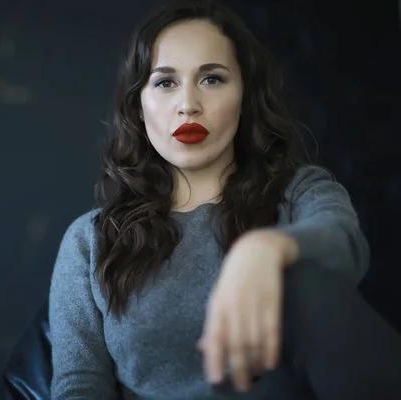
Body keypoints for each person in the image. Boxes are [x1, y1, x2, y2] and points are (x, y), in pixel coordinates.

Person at [48, 0, 401, 399]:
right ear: (139, 108)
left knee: (305, 276)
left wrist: (265, 248)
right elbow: (78, 387)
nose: (188, 104)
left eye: (212, 79)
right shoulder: (90, 240)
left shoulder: (300, 191)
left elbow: (345, 246)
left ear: (244, 97)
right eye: (165, 82)